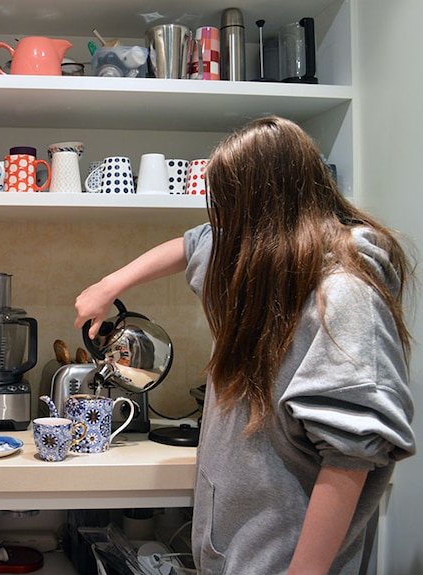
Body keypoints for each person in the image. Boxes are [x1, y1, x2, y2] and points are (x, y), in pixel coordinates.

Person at [74, 116, 416, 575]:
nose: (219, 224)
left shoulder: (343, 296)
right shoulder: (265, 258)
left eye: (227, 207)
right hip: (237, 551)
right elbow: (192, 242)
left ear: (262, 210)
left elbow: (351, 455)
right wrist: (107, 285)